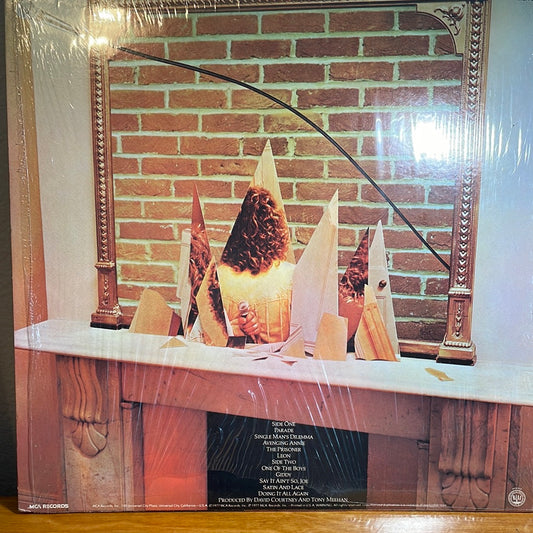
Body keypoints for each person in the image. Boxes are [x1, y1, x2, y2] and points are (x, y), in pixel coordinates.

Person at [217, 186, 294, 344]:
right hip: (279, 358)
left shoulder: (218, 276)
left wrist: (230, 329)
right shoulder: (291, 275)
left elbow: (204, 339)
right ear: (275, 229)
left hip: (230, 357)